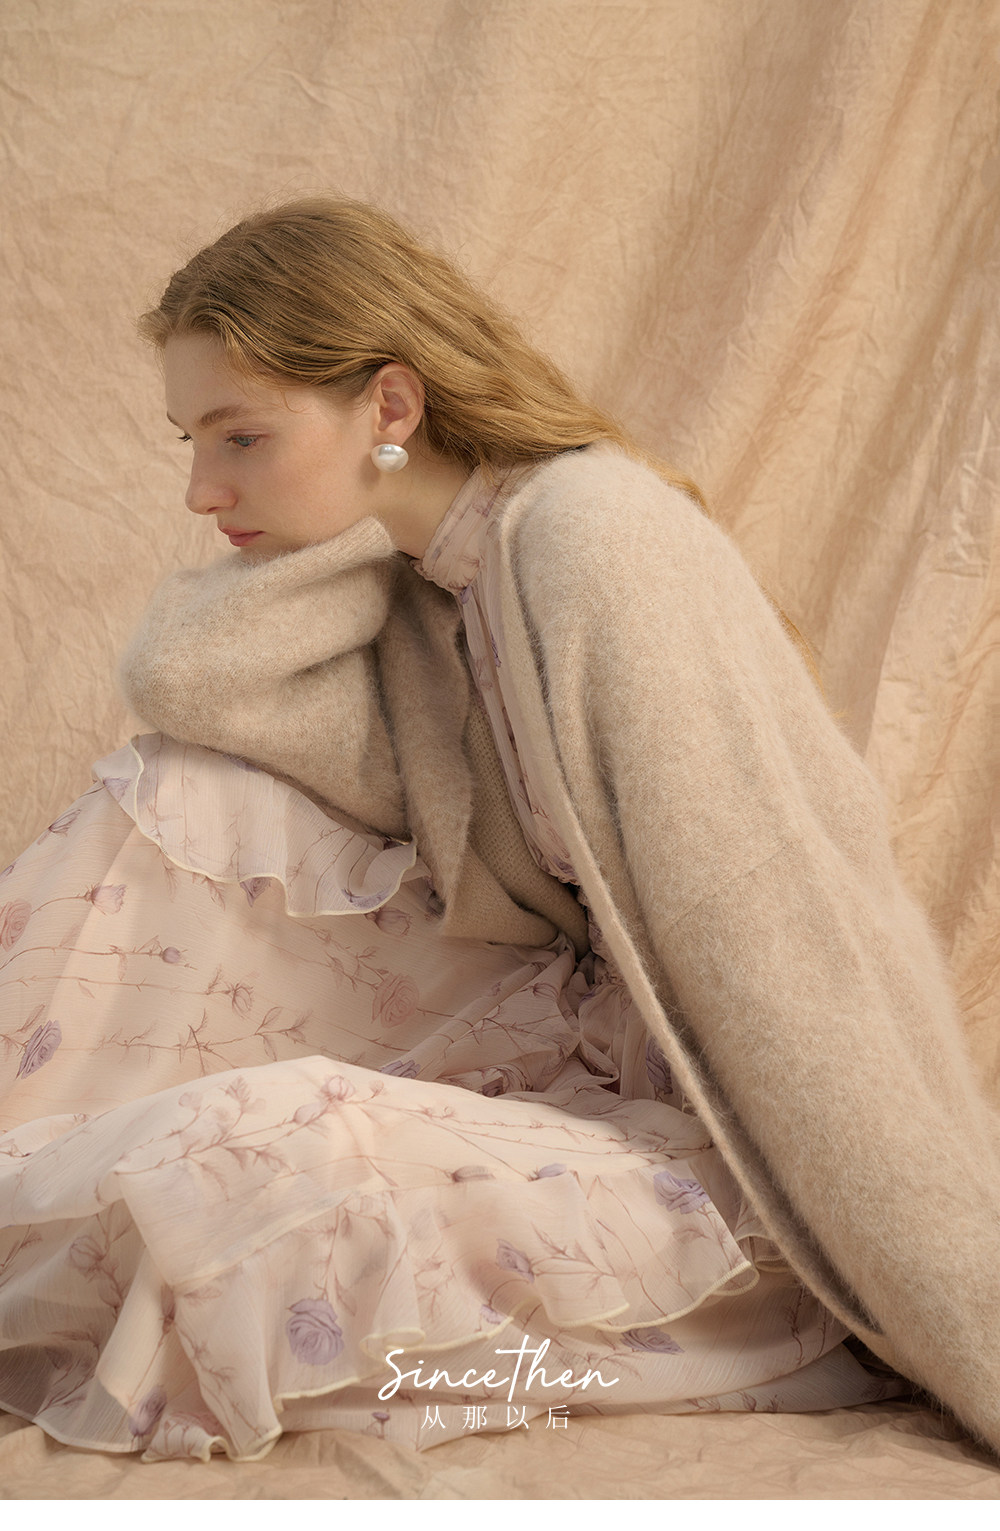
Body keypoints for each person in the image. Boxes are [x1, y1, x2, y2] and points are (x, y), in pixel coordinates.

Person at [0, 199, 996, 1465]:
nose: (203, 491)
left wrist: (959, 1318)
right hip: (563, 1054)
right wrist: (373, 523)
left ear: (392, 403)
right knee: (178, 792)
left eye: (241, 437)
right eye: (190, 442)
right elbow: (191, 680)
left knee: (266, 1186)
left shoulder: (594, 539)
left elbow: (789, 961)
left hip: (745, 1145)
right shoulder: (440, 588)